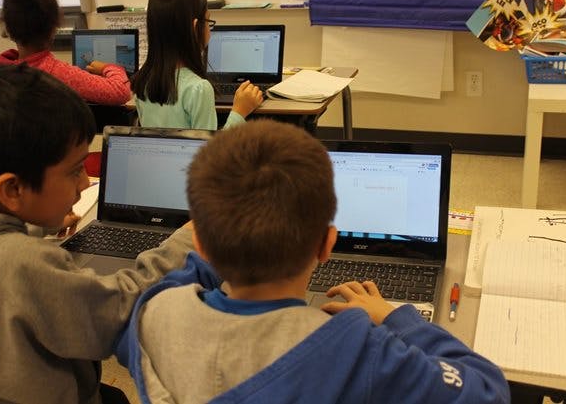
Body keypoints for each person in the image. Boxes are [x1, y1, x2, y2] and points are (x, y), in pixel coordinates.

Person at [115, 119, 511, 403]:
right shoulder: (359, 351)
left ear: (198, 240)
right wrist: (396, 318)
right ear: (326, 245)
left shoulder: (151, 315)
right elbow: (486, 390)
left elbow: (174, 282)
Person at [0, 64, 193, 403]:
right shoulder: (21, 264)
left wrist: (32, 225)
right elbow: (116, 313)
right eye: (74, 171)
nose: (86, 183)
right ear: (12, 189)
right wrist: (188, 241)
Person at [131, 0, 263, 130]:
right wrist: (239, 112)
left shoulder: (142, 81)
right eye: (208, 21)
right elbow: (211, 149)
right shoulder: (198, 89)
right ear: (195, 28)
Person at [0, 0, 131, 106]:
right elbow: (120, 92)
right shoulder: (60, 75)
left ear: (7, 28)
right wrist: (109, 67)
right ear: (53, 28)